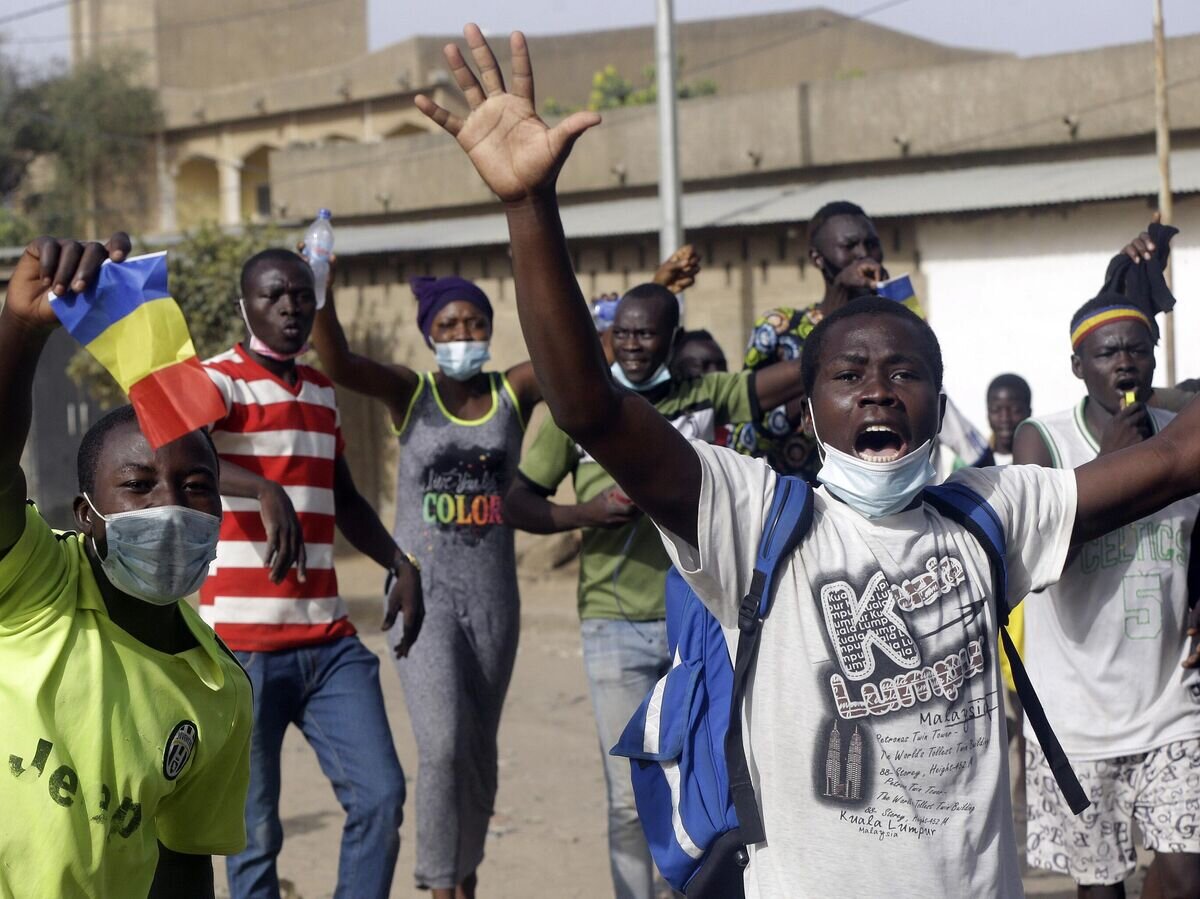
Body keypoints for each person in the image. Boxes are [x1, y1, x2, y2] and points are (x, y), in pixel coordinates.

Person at [416, 26, 1200, 897]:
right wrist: (530, 207)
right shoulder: (753, 514)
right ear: (811, 402)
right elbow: (590, 408)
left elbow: (1174, 461)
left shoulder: (991, 512)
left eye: (904, 374)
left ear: (939, 408)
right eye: (848, 374)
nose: (875, 391)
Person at [503, 282, 805, 898]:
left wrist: (849, 317)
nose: (635, 345)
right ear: (610, 337)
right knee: (628, 798)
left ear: (673, 338)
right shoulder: (584, 407)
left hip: (698, 624)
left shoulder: (703, 395)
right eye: (625, 333)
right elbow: (517, 502)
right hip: (613, 623)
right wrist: (586, 514)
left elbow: (792, 378)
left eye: (649, 333)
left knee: (704, 780)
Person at [0, 234, 252, 898]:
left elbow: (183, 859)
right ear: (87, 514)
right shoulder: (36, 582)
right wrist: (21, 333)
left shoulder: (219, 688)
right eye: (138, 486)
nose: (171, 507)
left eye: (196, 486)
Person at [200, 248, 424, 899]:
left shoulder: (323, 391)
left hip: (327, 643)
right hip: (239, 650)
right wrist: (263, 490)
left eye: (302, 294)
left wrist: (398, 560)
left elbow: (346, 498)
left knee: (381, 796)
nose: (292, 307)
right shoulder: (218, 381)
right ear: (246, 305)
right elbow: (176, 451)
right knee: (253, 834)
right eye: (275, 296)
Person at [310, 273, 538, 899]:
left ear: (489, 330)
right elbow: (339, 362)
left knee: (477, 755)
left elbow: (583, 354)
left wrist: (656, 288)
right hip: (421, 597)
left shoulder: (512, 391)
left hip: (495, 601)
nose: (463, 335)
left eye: (474, 324)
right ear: (429, 335)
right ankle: (440, 884)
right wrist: (322, 286)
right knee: (440, 747)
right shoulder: (413, 394)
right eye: (449, 326)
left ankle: (465, 876)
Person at [1013, 284, 1200, 898]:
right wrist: (1111, 468)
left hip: (1172, 703)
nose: (1124, 363)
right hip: (1075, 717)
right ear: (1077, 366)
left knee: (1187, 872)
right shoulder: (1043, 440)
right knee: (1101, 889)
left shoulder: (1180, 436)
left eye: (1138, 349)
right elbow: (1040, 560)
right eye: (1106, 353)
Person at [979, 374, 1032, 467]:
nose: (1005, 418)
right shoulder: (973, 460)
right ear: (988, 412)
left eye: (1015, 410)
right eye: (996, 409)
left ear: (1028, 413)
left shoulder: (1040, 461)